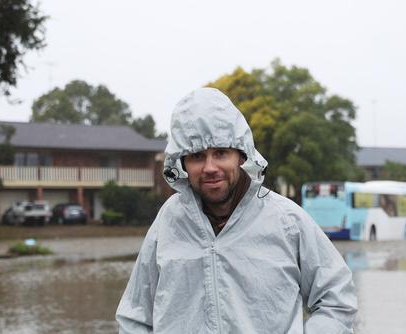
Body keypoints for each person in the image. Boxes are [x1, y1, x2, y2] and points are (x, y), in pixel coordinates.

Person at [116, 88, 357, 333]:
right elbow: (134, 316)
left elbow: (336, 298)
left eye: (220, 153)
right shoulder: (167, 222)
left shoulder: (287, 221)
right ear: (182, 163)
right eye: (197, 156)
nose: (210, 167)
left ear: (241, 156)